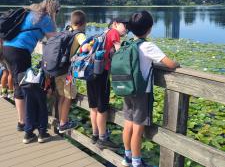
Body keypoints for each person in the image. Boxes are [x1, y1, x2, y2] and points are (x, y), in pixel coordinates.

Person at [121, 11, 179, 167]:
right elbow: (169, 64)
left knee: (128, 124)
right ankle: (136, 161)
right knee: (138, 129)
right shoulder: (147, 46)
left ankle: (127, 157)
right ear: (149, 28)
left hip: (127, 90)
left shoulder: (128, 43)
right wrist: (176, 64)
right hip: (141, 94)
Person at [2, 0, 60, 143]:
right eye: (57, 11)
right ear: (52, 9)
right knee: (24, 86)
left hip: (7, 49)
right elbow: (54, 40)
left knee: (18, 84)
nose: (57, 14)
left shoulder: (31, 12)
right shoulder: (45, 18)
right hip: (20, 51)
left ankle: (22, 122)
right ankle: (26, 125)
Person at [86, 17, 128, 150]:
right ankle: (103, 138)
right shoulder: (114, 32)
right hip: (101, 74)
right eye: (125, 26)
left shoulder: (103, 32)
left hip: (91, 72)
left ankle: (95, 134)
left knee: (93, 106)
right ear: (115, 24)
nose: (127, 30)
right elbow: (119, 51)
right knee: (102, 108)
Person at [55, 10, 87, 133]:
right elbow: (85, 47)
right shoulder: (80, 35)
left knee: (61, 96)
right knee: (68, 97)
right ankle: (63, 123)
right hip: (68, 72)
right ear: (83, 23)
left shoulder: (65, 31)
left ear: (72, 21)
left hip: (57, 69)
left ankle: (60, 121)